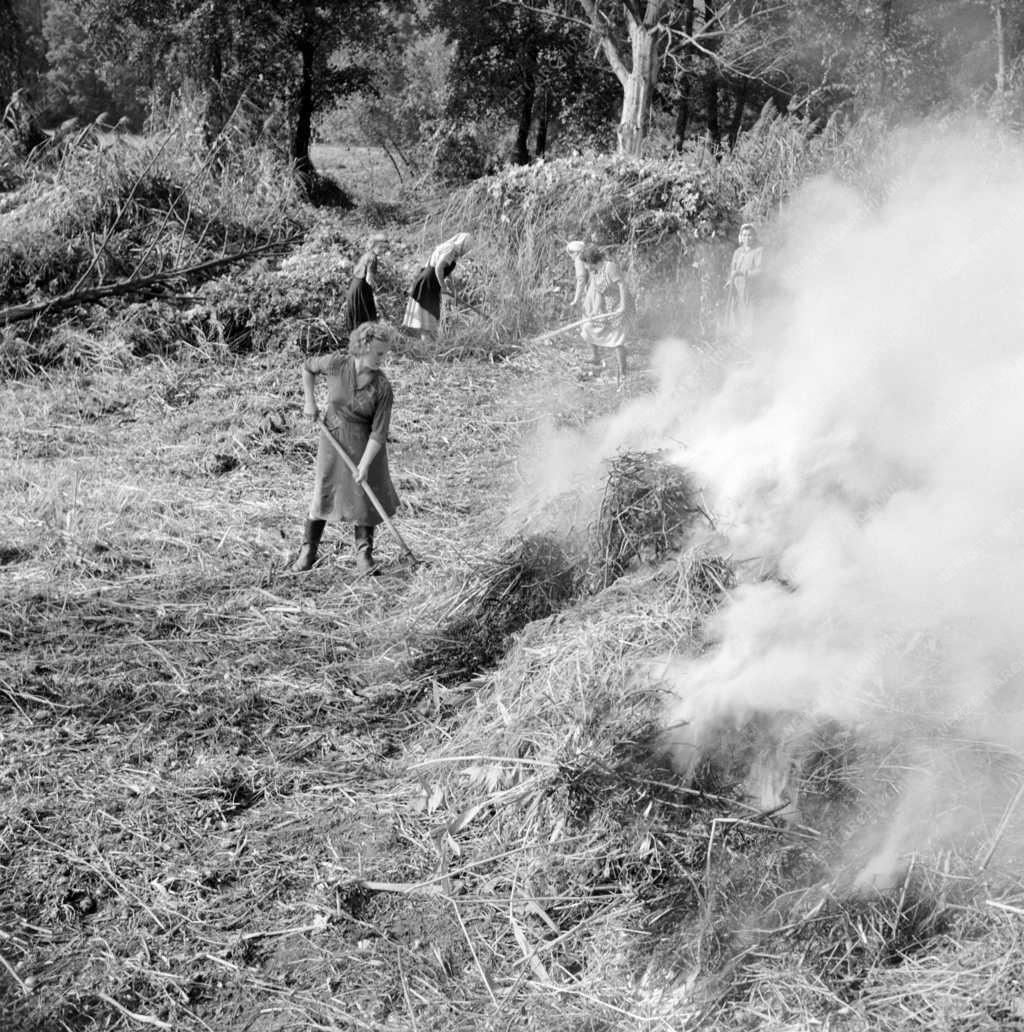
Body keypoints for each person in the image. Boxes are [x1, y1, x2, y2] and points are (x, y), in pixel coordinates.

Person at [292, 321, 400, 575]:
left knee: (363, 500)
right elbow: (308, 367)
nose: (383, 359)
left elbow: (379, 432)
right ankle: (308, 551)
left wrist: (364, 465)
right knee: (324, 491)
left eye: (384, 354)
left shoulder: (382, 387)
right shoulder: (337, 365)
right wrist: (310, 402)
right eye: (379, 353)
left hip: (365, 447)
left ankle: (364, 555)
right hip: (332, 439)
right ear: (363, 347)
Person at [401, 232, 472, 339]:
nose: (466, 251)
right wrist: (443, 287)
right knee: (427, 320)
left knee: (430, 319)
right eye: (466, 247)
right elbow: (439, 268)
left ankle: (427, 343)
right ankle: (426, 345)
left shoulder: (452, 252)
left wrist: (453, 289)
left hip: (432, 283)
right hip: (428, 283)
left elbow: (446, 272)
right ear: (463, 244)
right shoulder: (450, 249)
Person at [579, 244, 631, 386]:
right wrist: (595, 312)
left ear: (591, 261)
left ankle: (623, 372)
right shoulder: (596, 272)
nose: (585, 267)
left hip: (620, 306)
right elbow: (600, 294)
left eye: (586, 264)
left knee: (617, 339)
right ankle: (596, 357)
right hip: (608, 308)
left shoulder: (610, 267)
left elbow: (622, 285)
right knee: (588, 327)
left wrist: (623, 306)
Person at [724, 223, 763, 339]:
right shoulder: (737, 252)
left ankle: (750, 343)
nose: (747, 238)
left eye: (750, 235)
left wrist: (743, 273)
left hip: (750, 290)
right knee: (735, 314)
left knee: (750, 316)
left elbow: (760, 270)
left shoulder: (759, 251)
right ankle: (736, 341)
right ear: (741, 236)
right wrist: (729, 281)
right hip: (736, 290)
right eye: (744, 235)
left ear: (755, 236)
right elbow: (732, 270)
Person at [345, 234, 386, 332]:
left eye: (383, 247)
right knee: (365, 320)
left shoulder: (367, 254)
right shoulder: (372, 257)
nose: (382, 250)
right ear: (373, 246)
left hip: (355, 286)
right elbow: (369, 279)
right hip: (361, 288)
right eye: (380, 247)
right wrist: (375, 292)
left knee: (360, 319)